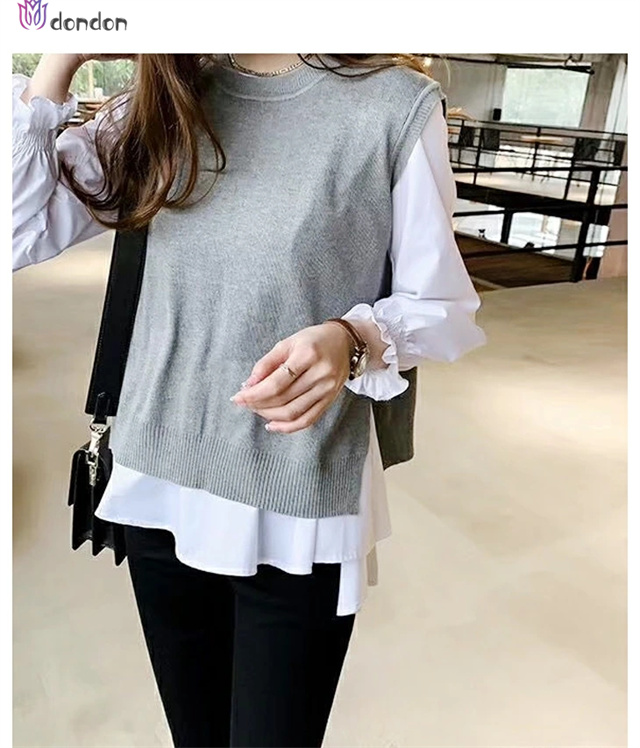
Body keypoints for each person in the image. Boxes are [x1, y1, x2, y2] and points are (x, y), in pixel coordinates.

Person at [12, 53, 487, 748]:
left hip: (295, 495)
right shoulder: (163, 100)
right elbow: (17, 228)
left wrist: (351, 339)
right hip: (156, 480)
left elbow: (442, 306)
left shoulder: (392, 107)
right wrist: (62, 55)